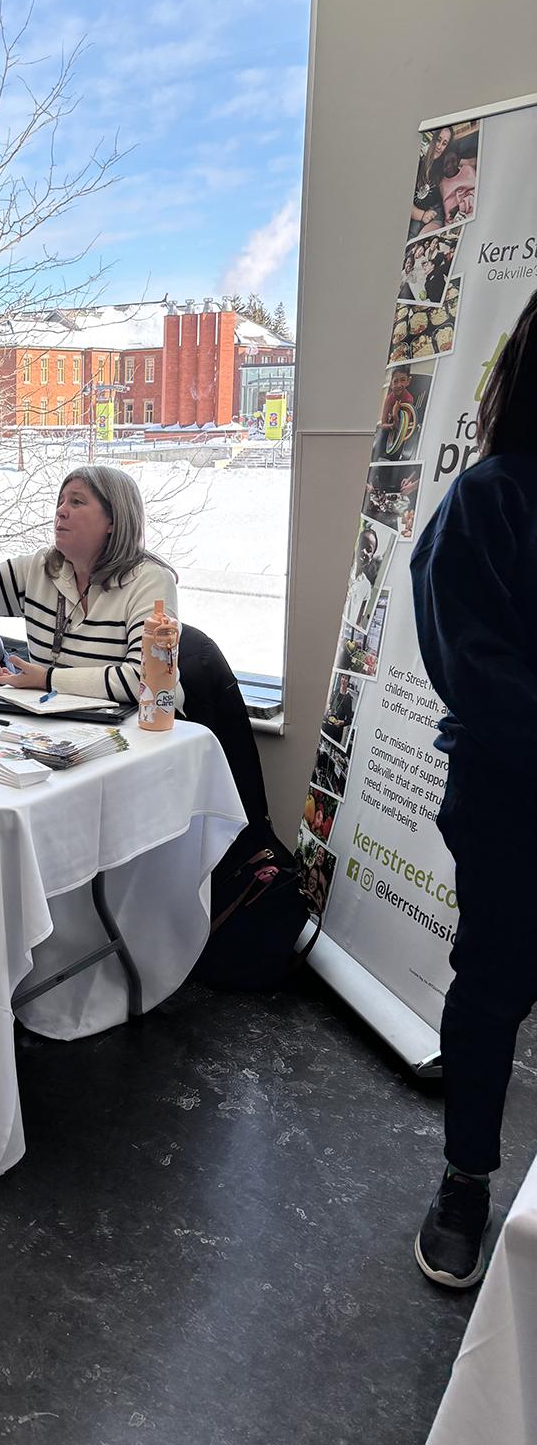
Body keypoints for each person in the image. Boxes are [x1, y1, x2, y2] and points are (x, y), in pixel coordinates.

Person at [410, 287, 537, 1288]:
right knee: (491, 991)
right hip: (509, 802)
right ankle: (465, 1179)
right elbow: (475, 665)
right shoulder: (491, 498)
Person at [0, 455, 177, 703]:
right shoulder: (41, 568)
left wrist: (47, 679)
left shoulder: (150, 580)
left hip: (136, 733)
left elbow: (147, 681)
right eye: (61, 502)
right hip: (53, 728)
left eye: (76, 502)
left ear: (113, 519)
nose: (61, 511)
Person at [409, 125, 452, 237]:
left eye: (444, 143)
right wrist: (421, 215)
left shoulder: (444, 163)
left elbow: (464, 163)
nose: (439, 147)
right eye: (438, 140)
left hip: (435, 213)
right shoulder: (416, 163)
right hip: (416, 214)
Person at [322, 674, 355, 746]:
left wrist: (342, 722)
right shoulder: (336, 691)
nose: (343, 680)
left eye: (346, 678)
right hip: (328, 726)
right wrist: (329, 709)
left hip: (336, 732)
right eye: (343, 677)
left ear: (348, 681)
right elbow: (330, 705)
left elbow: (349, 720)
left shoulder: (348, 698)